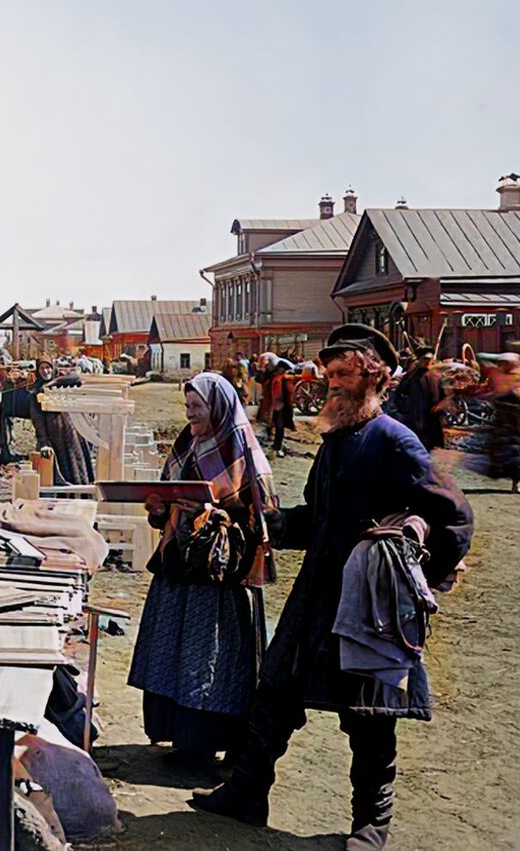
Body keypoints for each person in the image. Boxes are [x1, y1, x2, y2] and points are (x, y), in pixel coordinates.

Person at [191, 324, 473, 851]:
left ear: (374, 377)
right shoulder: (336, 441)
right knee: (274, 693)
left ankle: (371, 827)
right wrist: (253, 520)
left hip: (369, 604)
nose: (332, 386)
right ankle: (248, 794)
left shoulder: (394, 440)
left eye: (343, 376)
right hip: (317, 592)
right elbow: (314, 521)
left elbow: (454, 516)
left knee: (368, 717)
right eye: (330, 375)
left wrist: (422, 581)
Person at [127, 373, 277, 768]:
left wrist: (215, 515)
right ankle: (180, 739)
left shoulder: (241, 449)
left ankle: (205, 743)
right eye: (188, 407)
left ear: (220, 407)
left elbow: (265, 520)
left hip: (219, 577)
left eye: (197, 407)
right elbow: (167, 495)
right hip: (180, 566)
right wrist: (161, 510)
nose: (190, 414)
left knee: (209, 656)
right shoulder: (184, 443)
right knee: (173, 651)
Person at [28, 356, 96, 485]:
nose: (45, 371)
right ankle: (66, 493)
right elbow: (37, 420)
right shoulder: (35, 392)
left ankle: (81, 488)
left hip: (71, 430)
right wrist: (43, 442)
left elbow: (77, 377)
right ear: (38, 371)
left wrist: (52, 383)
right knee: (62, 466)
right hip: (54, 435)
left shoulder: (61, 382)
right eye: (42, 368)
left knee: (77, 461)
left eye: (48, 368)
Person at [482, 353, 520, 493]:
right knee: (508, 454)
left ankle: (515, 484)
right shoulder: (502, 378)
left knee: (518, 454)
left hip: (517, 424)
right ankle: (513, 483)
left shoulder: (517, 377)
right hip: (505, 424)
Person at [391, 347, 445, 450]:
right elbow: (399, 394)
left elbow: (444, 395)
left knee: (432, 445)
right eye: (425, 359)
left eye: (430, 359)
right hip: (415, 416)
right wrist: (405, 409)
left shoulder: (437, 376)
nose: (428, 362)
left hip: (432, 417)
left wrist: (441, 407)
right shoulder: (411, 376)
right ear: (419, 359)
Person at [267, 360, 295, 457]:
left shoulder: (278, 378)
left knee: (278, 427)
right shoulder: (279, 379)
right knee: (278, 427)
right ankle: (276, 446)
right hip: (279, 405)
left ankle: (276, 446)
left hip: (279, 405)